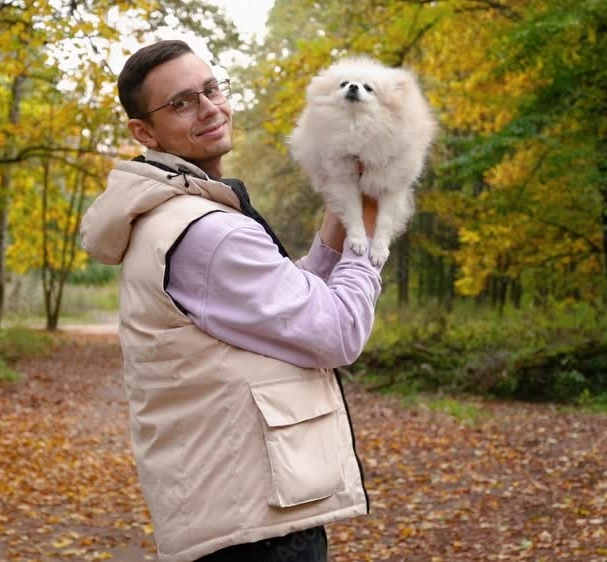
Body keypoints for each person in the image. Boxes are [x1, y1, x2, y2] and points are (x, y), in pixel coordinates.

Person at [79, 39, 386, 562]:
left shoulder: (177, 216)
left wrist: (343, 206)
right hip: (257, 530)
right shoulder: (206, 232)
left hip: (231, 510)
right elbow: (336, 331)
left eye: (211, 88)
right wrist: (370, 227)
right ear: (143, 132)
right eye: (180, 102)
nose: (208, 108)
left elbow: (286, 303)